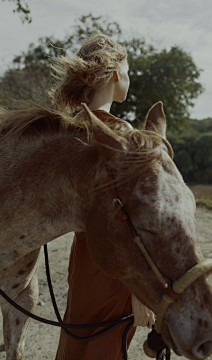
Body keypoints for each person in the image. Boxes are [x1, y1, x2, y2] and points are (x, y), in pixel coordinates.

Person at [49, 31, 155, 360]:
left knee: (78, 341)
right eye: (128, 70)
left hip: (83, 259)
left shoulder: (69, 129)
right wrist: (140, 290)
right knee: (106, 345)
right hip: (116, 265)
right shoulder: (120, 132)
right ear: (114, 75)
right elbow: (135, 216)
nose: (129, 78)